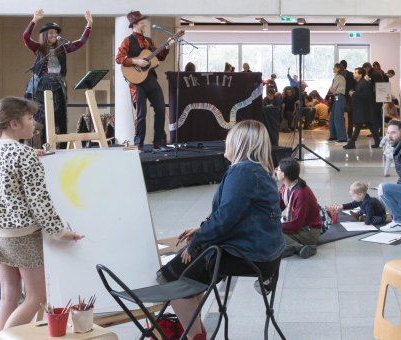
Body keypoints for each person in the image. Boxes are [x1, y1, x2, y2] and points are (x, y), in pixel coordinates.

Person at [167, 120, 284, 340]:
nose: (224, 143)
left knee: (172, 280)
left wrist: (197, 242)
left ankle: (195, 336)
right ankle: (197, 330)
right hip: (263, 253)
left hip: (249, 255)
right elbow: (234, 214)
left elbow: (225, 219)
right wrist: (201, 229)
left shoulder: (243, 172)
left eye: (228, 139)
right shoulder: (257, 171)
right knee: (191, 276)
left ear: (240, 143)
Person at [0, 97, 83, 331]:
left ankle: (3, 336)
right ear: (14, 124)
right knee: (37, 296)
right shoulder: (23, 155)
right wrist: (60, 232)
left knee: (9, 295)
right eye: (29, 118)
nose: (34, 123)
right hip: (22, 235)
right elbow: (40, 202)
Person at [23, 9, 93, 145]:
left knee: (59, 117)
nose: (54, 35)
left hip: (58, 86)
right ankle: (42, 144)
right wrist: (34, 20)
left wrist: (89, 24)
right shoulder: (38, 48)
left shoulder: (63, 48)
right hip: (40, 87)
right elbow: (26, 36)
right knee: (41, 118)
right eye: (51, 33)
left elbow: (81, 42)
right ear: (44, 35)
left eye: (56, 33)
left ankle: (59, 146)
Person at [115, 10, 174, 150]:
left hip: (151, 79)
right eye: (142, 22)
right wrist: (136, 61)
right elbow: (119, 59)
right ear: (135, 24)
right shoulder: (127, 40)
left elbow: (159, 57)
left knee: (160, 109)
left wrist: (166, 47)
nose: (144, 24)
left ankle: (158, 142)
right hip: (137, 83)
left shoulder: (149, 41)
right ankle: (139, 144)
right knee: (141, 114)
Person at [275, 158, 321, 259]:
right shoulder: (286, 185)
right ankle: (288, 248)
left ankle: (299, 247)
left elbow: (297, 224)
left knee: (273, 231)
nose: (276, 170)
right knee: (267, 229)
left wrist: (274, 225)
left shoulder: (301, 193)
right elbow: (279, 205)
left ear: (283, 175)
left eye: (277, 169)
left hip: (309, 231)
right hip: (300, 227)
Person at [343, 67, 380, 149]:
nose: (353, 74)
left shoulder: (363, 83)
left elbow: (366, 96)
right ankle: (378, 142)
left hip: (363, 109)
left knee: (359, 126)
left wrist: (353, 94)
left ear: (360, 74)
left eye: (355, 72)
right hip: (362, 109)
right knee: (368, 126)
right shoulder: (360, 82)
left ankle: (352, 143)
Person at [328, 63, 348, 142]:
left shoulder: (338, 77)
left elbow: (333, 89)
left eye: (334, 67)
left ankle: (342, 137)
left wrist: (330, 88)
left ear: (338, 69)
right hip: (337, 98)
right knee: (333, 117)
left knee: (338, 118)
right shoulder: (340, 77)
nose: (333, 68)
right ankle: (333, 135)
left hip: (339, 97)